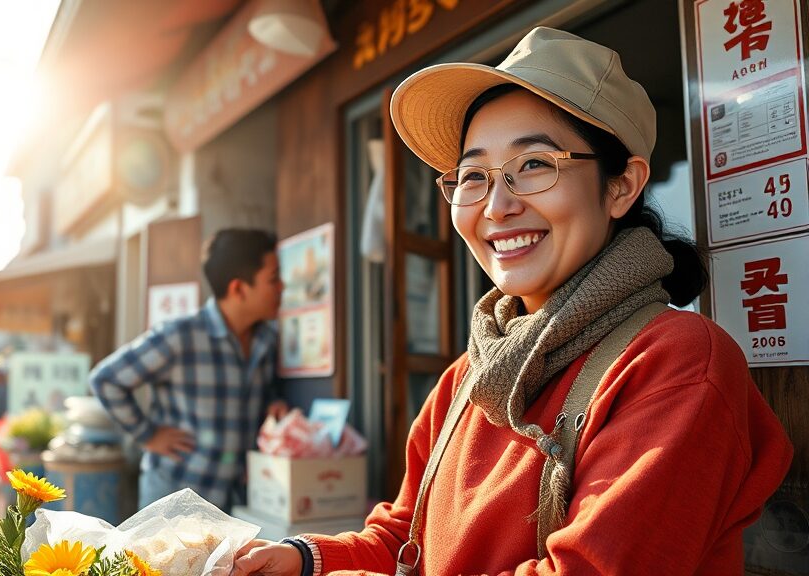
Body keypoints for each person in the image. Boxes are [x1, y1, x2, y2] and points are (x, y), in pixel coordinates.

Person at [233, 27, 793, 576]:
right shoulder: (465, 379)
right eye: (472, 176)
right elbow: (405, 537)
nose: (496, 206)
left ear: (621, 185)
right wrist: (305, 559)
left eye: (534, 165)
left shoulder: (677, 362)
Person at [90, 228, 289, 511]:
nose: (283, 287)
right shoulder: (180, 335)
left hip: (238, 503)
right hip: (174, 503)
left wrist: (274, 402)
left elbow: (263, 391)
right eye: (273, 279)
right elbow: (105, 380)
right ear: (239, 289)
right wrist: (148, 434)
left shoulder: (268, 340)